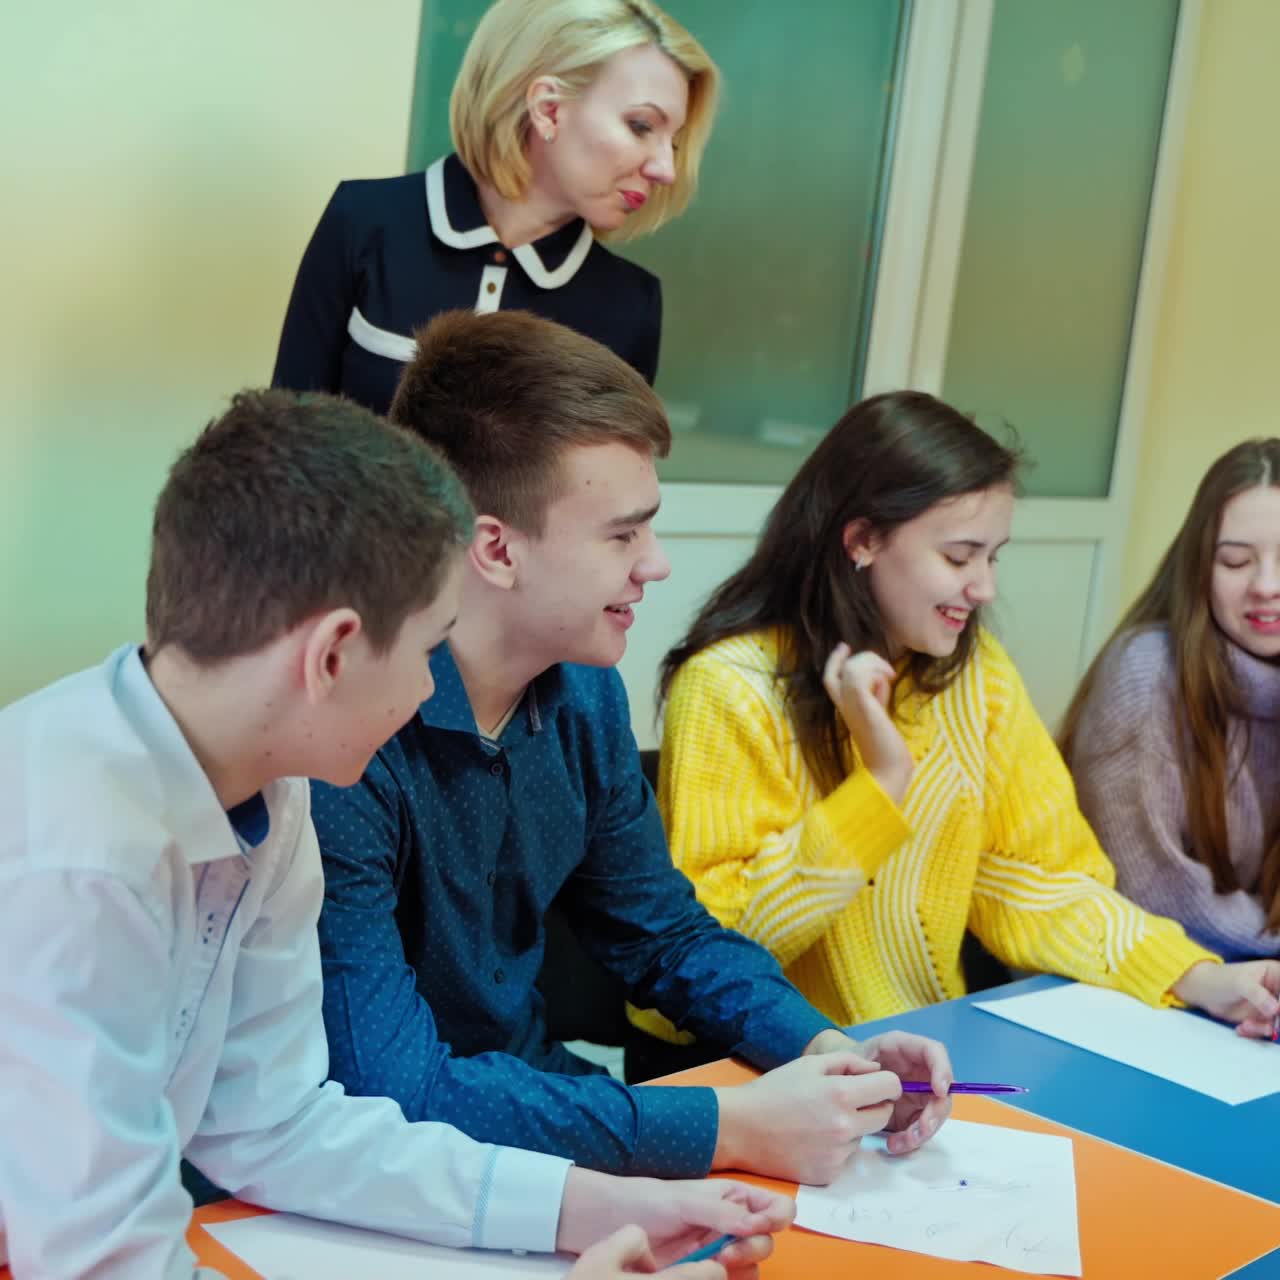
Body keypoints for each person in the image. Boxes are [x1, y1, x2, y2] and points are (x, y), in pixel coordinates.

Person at [0, 390, 790, 1278]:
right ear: (332, 655)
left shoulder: (269, 793)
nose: (425, 691)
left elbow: (280, 1122)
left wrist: (589, 1206)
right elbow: (104, 1262)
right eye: (426, 650)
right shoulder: (76, 858)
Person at [310, 309, 955, 1192]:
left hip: (546, 1117)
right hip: (379, 1175)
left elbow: (665, 937)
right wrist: (726, 1127)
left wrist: (824, 1049)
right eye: (622, 534)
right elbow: (395, 1093)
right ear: (495, 548)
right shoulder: (347, 740)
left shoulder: (584, 695)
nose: (655, 564)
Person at [635, 391, 1280, 1059]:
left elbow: (1037, 881)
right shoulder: (728, 688)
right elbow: (714, 952)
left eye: (993, 556)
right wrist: (880, 786)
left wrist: (1197, 976)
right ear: (862, 541)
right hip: (756, 1067)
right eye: (959, 556)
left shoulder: (976, 676)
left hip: (918, 1057)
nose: (985, 588)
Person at [272, 0, 719, 415]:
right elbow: (282, 441)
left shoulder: (631, 306)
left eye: (674, 143)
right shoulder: (362, 222)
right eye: (641, 126)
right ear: (548, 109)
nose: (666, 170)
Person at [1061, 438, 1280, 964]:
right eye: (1235, 561)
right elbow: (1152, 892)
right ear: (1199, 567)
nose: (1266, 586)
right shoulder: (1145, 675)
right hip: (1140, 969)